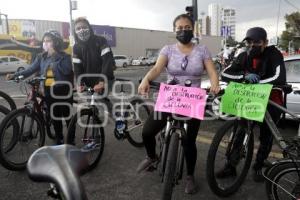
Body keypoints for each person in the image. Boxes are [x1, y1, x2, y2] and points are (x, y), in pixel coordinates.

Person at [136, 14, 220, 194]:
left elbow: (212, 71)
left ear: (193, 29)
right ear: (174, 30)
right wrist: (146, 79)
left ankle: (190, 175)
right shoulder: (167, 50)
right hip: (170, 96)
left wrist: (215, 84)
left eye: (187, 27)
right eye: (179, 28)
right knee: (148, 131)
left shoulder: (203, 50)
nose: (183, 31)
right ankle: (152, 156)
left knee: (190, 142)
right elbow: (157, 69)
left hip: (193, 99)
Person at [219, 27, 287, 182]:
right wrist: (244, 76)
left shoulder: (274, 54)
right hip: (250, 99)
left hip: (271, 100)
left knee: (266, 136)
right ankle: (231, 165)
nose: (252, 45)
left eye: (257, 42)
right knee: (240, 132)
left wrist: (258, 82)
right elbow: (225, 74)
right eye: (249, 42)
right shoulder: (243, 55)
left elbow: (279, 78)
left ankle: (259, 166)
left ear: (265, 42)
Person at [6, 30, 74, 145]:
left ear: (56, 43)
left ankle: (71, 140)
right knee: (55, 116)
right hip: (49, 89)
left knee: (67, 116)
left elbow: (66, 70)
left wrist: (54, 56)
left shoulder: (65, 57)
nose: (45, 43)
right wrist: (15, 75)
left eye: (48, 41)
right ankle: (59, 139)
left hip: (63, 90)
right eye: (44, 41)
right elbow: (30, 69)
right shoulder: (41, 57)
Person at [72, 17, 115, 95]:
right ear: (75, 32)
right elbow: (77, 67)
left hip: (105, 80)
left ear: (89, 28)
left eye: (84, 27)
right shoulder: (76, 47)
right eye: (78, 28)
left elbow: (107, 61)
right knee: (89, 102)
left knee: (99, 101)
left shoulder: (100, 40)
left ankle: (107, 106)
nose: (81, 30)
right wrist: (80, 84)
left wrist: (102, 81)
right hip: (89, 83)